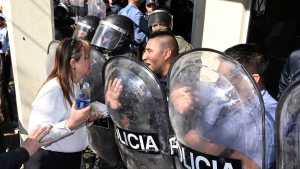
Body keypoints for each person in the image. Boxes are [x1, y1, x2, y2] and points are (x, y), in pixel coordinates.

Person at [25, 38, 100, 169]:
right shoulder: (53, 89)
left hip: (68, 159)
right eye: (86, 58)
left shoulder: (77, 85)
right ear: (73, 63)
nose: (91, 61)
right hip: (50, 162)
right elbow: (37, 137)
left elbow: (74, 119)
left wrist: (86, 119)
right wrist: (71, 124)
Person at [225, 44, 277, 169]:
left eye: (229, 78)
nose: (220, 83)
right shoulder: (232, 101)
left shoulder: (267, 117)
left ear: (252, 80)